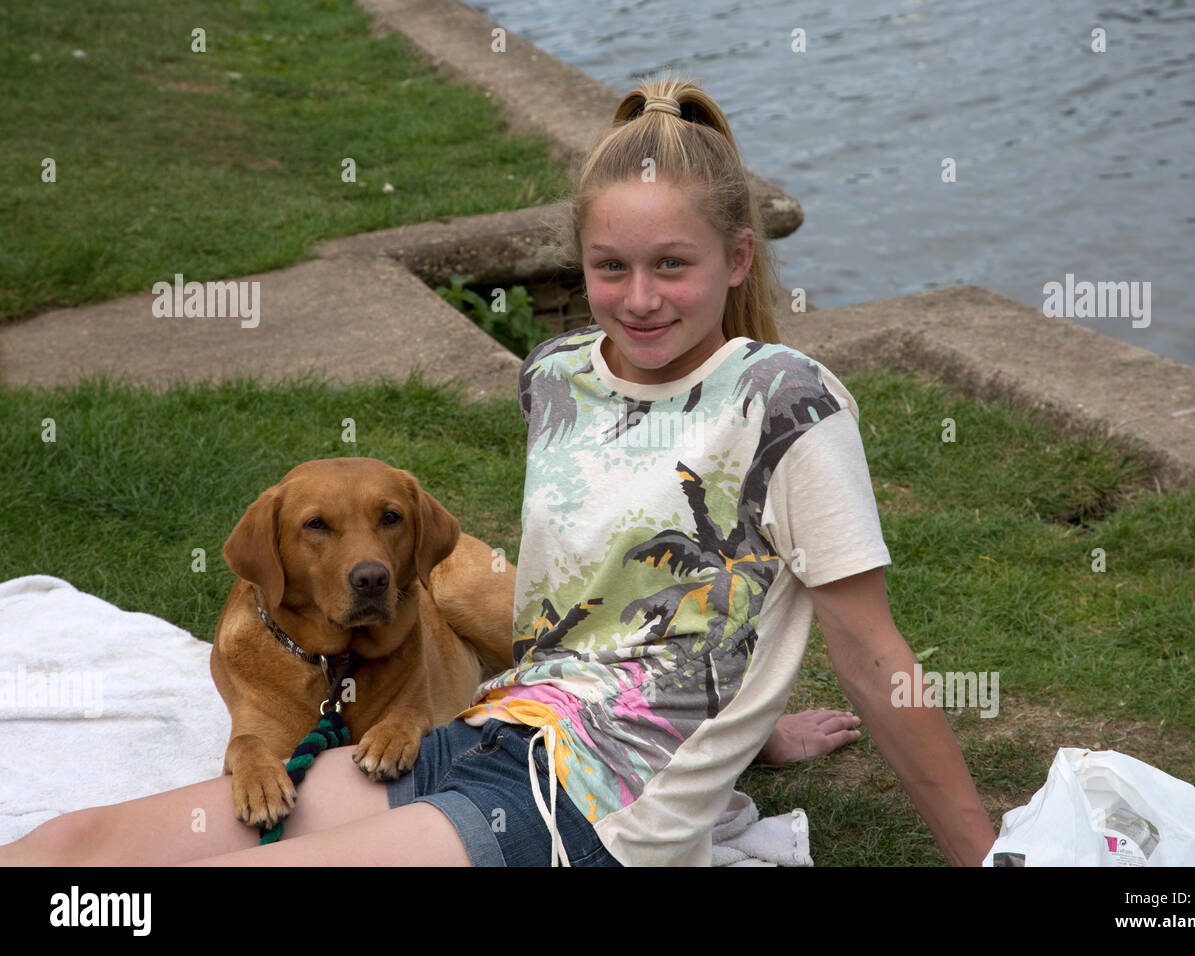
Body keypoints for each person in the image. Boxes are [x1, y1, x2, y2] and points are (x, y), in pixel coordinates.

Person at [1, 72, 996, 867]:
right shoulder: (558, 377)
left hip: (592, 810)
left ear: (738, 257)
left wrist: (983, 856)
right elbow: (614, 609)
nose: (638, 298)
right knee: (64, 850)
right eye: (610, 266)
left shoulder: (786, 400)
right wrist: (756, 730)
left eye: (672, 265)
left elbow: (870, 651)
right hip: (483, 735)